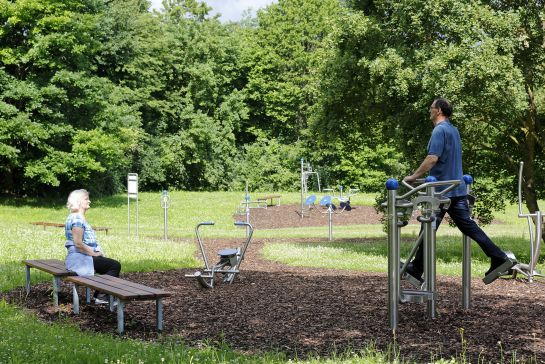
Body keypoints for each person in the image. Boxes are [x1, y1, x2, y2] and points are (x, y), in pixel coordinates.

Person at [403, 98, 515, 284]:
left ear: (438, 110)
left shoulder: (439, 130)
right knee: (467, 226)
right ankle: (499, 257)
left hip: (441, 192)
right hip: (456, 189)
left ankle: (416, 268)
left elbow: (432, 158)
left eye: (431, 108)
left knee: (427, 228)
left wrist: (413, 177)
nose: (429, 110)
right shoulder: (453, 130)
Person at [64, 189, 121, 303]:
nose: (89, 201)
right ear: (79, 201)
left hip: (83, 256)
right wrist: (94, 254)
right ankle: (100, 296)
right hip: (81, 258)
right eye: (86, 199)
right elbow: (78, 243)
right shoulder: (77, 218)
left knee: (110, 266)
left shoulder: (76, 217)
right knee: (114, 266)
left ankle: (105, 295)